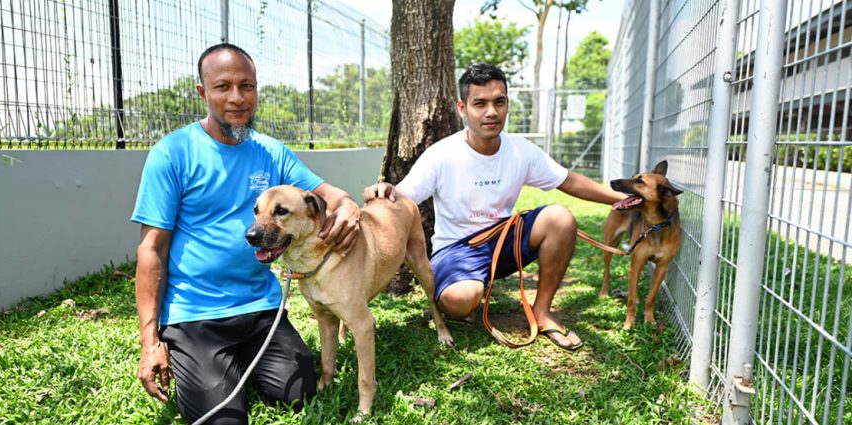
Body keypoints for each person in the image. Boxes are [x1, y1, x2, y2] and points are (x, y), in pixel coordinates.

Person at [131, 43, 361, 424]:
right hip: (195, 316)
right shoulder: (172, 153)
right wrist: (149, 342)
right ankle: (210, 364)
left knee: (300, 392)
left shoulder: (271, 152)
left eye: (247, 86)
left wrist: (349, 205)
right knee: (223, 419)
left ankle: (236, 364)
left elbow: (327, 193)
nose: (237, 98)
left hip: (260, 308)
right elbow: (151, 248)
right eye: (223, 87)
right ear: (203, 93)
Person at [363, 63, 625, 351]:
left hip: (503, 241)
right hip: (456, 250)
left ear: (507, 104)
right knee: (461, 301)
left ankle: (542, 312)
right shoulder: (441, 154)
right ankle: (465, 291)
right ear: (462, 108)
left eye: (499, 102)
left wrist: (620, 199)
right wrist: (385, 191)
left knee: (559, 218)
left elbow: (569, 181)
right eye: (480, 104)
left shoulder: (521, 150)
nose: (491, 112)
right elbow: (402, 196)